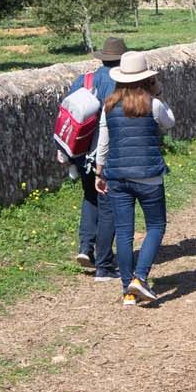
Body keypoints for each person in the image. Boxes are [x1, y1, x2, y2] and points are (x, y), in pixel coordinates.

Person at [94, 51, 176, 306]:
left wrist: (99, 171)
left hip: (117, 176)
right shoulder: (154, 105)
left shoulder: (108, 105)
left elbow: (104, 143)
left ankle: (128, 290)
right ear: (146, 79)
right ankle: (139, 278)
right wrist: (159, 94)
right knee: (155, 226)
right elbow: (170, 123)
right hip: (148, 175)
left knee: (124, 231)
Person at [71, 37, 125, 280]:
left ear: (102, 57)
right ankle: (104, 258)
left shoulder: (85, 80)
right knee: (108, 203)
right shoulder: (123, 82)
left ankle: (86, 247)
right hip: (108, 152)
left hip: (82, 151)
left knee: (89, 196)